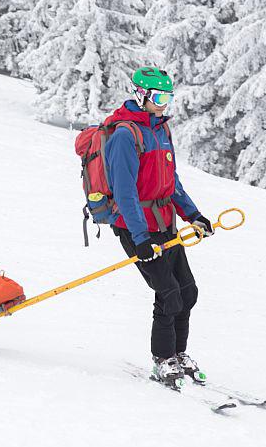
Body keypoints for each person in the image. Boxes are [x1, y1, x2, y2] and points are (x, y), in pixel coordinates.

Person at [104, 67, 215, 387]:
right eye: (158, 97)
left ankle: (178, 354)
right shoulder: (126, 134)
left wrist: (193, 214)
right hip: (136, 227)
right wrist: (140, 238)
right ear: (141, 95)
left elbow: (171, 183)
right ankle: (162, 360)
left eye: (168, 97)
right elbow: (124, 192)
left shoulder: (161, 131)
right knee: (168, 293)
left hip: (165, 222)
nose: (164, 103)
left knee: (188, 292)